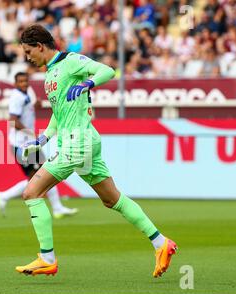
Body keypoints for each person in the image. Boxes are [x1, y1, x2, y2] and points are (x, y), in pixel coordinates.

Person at [15, 24, 177, 278]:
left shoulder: (69, 61)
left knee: (31, 192)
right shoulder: (50, 76)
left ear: (40, 46)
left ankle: (47, 258)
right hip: (82, 142)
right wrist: (43, 139)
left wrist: (88, 83)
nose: (27, 57)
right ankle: (161, 243)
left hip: (77, 142)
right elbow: (59, 115)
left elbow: (107, 70)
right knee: (112, 199)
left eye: (28, 51)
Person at [0, 72, 78, 219]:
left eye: (25, 81)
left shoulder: (24, 96)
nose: (23, 84)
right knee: (44, 174)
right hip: (22, 145)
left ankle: (56, 208)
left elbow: (24, 113)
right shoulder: (17, 97)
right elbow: (12, 120)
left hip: (26, 143)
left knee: (43, 174)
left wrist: (34, 106)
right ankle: (5, 196)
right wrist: (31, 133)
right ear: (15, 83)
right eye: (20, 81)